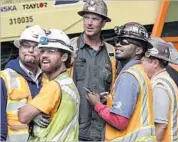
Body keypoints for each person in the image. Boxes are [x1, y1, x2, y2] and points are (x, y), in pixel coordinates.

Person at [87, 22, 156, 141]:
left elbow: (119, 121)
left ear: (138, 50)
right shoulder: (139, 72)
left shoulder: (128, 77)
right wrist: (108, 100)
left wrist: (97, 105)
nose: (118, 44)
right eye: (117, 41)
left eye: (124, 42)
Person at [18, 29, 80, 141]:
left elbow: (23, 116)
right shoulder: (68, 83)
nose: (44, 56)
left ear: (64, 57)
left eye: (51, 51)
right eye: (42, 51)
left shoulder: (54, 87)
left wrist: (31, 115)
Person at [70, 0, 117, 141]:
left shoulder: (112, 53)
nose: (89, 23)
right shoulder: (70, 48)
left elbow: (115, 89)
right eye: (86, 18)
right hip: (74, 129)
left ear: (103, 23)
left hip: (102, 130)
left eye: (95, 19)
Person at [0, 25, 48, 141]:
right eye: (26, 45)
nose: (30, 50)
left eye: (36, 47)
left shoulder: (47, 78)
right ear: (19, 48)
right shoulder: (5, 78)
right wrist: (30, 116)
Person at [141, 37, 178, 141]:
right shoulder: (163, 80)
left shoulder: (159, 86)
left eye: (143, 61)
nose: (140, 65)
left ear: (155, 63)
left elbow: (161, 126)